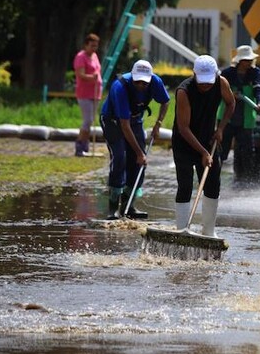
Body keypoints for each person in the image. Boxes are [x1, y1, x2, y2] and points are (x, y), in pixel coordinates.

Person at [172, 55, 235, 236]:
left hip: (209, 139)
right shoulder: (184, 91)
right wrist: (203, 152)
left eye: (209, 82)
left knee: (212, 183)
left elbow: (231, 103)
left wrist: (221, 128)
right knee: (185, 185)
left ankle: (208, 232)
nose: (206, 86)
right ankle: (182, 231)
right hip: (184, 142)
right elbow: (183, 128)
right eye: (202, 82)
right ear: (194, 74)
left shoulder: (221, 82)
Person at [100, 60, 170, 220]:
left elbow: (165, 102)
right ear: (132, 76)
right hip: (113, 121)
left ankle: (128, 205)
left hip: (135, 119)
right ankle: (113, 206)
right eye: (138, 81)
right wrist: (139, 152)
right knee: (120, 157)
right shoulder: (120, 87)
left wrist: (158, 124)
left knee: (139, 164)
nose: (141, 85)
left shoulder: (156, 82)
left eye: (144, 82)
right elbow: (124, 125)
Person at [219, 45, 260, 178]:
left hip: (246, 118)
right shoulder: (227, 73)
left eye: (250, 60)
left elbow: (259, 89)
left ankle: (245, 180)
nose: (249, 62)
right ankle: (213, 177)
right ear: (239, 61)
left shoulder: (255, 73)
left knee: (246, 152)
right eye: (246, 60)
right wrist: (230, 94)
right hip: (227, 118)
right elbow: (218, 90)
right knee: (222, 149)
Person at [73, 33, 103, 157]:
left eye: (96, 46)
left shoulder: (95, 56)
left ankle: (85, 146)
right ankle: (80, 146)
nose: (94, 49)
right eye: (92, 46)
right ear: (86, 45)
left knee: (91, 121)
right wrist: (92, 77)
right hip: (84, 93)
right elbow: (80, 74)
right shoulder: (81, 57)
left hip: (95, 92)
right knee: (87, 120)